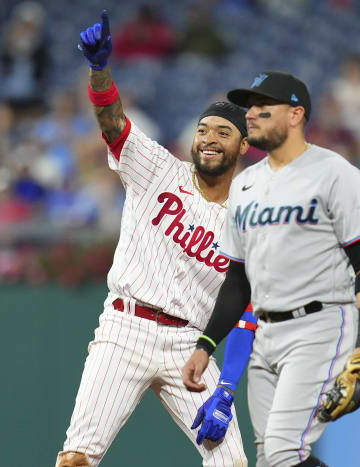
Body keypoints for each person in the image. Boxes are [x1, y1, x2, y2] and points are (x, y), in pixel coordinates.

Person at [56, 11, 252, 467]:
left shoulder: (247, 218)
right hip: (126, 327)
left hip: (189, 343)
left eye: (223, 133)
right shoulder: (159, 169)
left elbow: (247, 309)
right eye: (203, 129)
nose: (208, 138)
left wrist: (225, 391)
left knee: (232, 463)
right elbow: (112, 122)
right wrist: (100, 72)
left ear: (244, 147)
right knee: (78, 459)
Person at [181, 71, 360, 467]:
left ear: (295, 115)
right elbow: (237, 281)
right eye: (250, 107)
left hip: (320, 325)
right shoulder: (245, 185)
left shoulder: (336, 173)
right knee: (270, 459)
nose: (252, 114)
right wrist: (205, 346)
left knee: (281, 453)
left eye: (263, 107)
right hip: (265, 334)